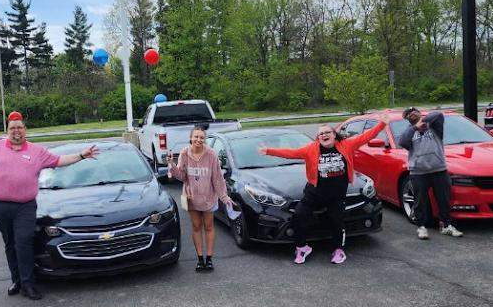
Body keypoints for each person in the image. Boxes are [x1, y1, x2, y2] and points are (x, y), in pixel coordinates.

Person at [0, 111, 99, 300]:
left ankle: (28, 284)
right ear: (7, 130)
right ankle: (17, 280)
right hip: (0, 206)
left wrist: (81, 155)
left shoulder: (37, 152)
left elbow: (59, 161)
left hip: (25, 207)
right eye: (12, 128)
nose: (16, 131)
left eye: (19, 127)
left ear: (25, 130)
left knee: (24, 243)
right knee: (10, 244)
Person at [258, 112, 390, 265]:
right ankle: (302, 247)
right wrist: (268, 151)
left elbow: (366, 137)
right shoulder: (311, 149)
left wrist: (382, 124)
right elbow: (290, 153)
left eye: (327, 132)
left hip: (336, 195)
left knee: (337, 221)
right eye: (320, 134)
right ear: (318, 137)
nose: (324, 135)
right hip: (314, 193)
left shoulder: (346, 145)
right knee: (298, 216)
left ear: (334, 135)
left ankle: (338, 250)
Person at [167, 125, 237, 272]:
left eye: (201, 137)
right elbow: (181, 176)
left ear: (204, 140)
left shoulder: (211, 155)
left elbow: (217, 178)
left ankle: (209, 259)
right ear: (191, 138)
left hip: (208, 198)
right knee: (196, 226)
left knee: (209, 226)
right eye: (196, 137)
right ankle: (200, 259)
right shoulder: (184, 153)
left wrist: (224, 196)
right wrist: (172, 165)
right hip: (191, 197)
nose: (198, 139)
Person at [398, 107, 463, 240]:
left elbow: (438, 114)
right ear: (407, 120)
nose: (412, 114)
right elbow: (402, 142)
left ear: (420, 113)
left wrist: (423, 120)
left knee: (444, 199)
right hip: (418, 172)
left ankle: (446, 225)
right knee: (419, 201)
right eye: (409, 114)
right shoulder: (410, 132)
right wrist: (416, 127)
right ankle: (421, 227)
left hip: (439, 169)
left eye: (414, 111)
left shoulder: (434, 128)